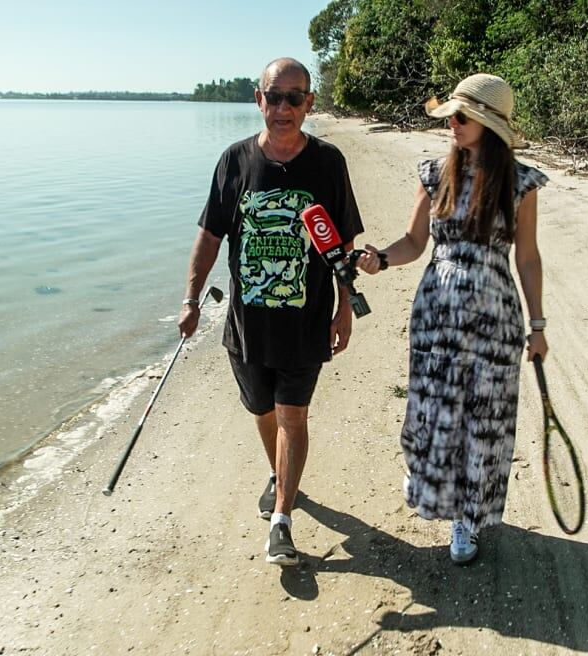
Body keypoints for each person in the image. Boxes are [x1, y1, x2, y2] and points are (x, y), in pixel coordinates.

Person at [355, 73, 548, 564]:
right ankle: (427, 478)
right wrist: (380, 258)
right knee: (432, 409)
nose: (453, 125)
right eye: (451, 117)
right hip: (437, 313)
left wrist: (538, 327)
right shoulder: (433, 174)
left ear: (489, 124)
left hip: (495, 317)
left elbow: (527, 257)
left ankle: (467, 518)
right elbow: (414, 242)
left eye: (462, 118)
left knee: (483, 420)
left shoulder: (521, 184)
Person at [178, 57, 363, 567]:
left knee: (292, 415)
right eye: (274, 96)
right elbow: (210, 237)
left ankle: (282, 520)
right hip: (247, 324)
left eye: (295, 97)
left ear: (309, 102)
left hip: (305, 322)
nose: (284, 108)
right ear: (258, 100)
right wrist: (192, 299)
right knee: (261, 410)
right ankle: (281, 476)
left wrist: (344, 309)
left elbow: (344, 240)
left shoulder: (328, 162)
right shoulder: (234, 162)